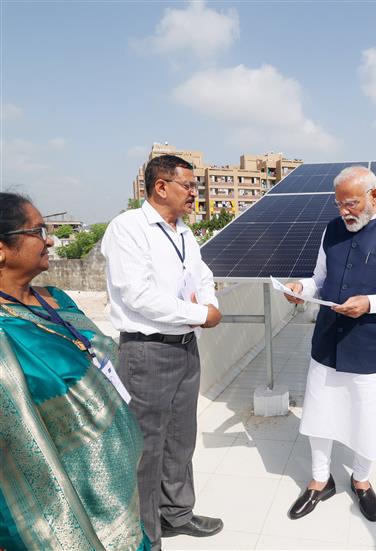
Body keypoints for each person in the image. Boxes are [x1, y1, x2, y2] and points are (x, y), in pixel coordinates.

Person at [0, 192, 150, 550]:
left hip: (116, 493)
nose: (49, 238)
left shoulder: (56, 299)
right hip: (58, 512)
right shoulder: (5, 333)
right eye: (37, 231)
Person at [282, 166, 376, 522]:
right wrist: (301, 288)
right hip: (328, 343)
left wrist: (371, 303)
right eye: (339, 205)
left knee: (370, 419)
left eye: (351, 204)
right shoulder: (332, 230)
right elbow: (320, 278)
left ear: (373, 196)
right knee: (319, 415)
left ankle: (361, 480)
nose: (344, 212)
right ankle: (320, 481)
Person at [101, 155, 223, 550]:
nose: (195, 193)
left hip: (186, 348)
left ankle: (176, 515)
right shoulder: (128, 229)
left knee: (181, 438)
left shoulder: (184, 232)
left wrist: (206, 305)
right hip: (148, 353)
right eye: (189, 186)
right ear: (161, 187)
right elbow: (138, 296)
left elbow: (202, 276)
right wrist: (200, 314)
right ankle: (145, 536)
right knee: (147, 448)